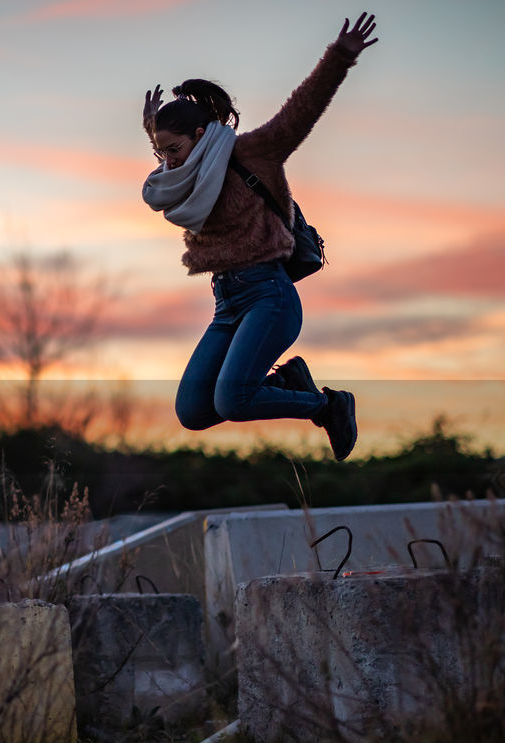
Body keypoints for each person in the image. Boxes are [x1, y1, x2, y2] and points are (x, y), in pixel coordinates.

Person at [141, 13, 378, 461]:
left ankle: (328, 405)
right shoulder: (183, 179)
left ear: (200, 134)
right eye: (159, 153)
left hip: (269, 295)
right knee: (193, 410)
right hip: (226, 302)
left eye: (173, 150)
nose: (167, 163)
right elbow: (174, 164)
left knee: (233, 401)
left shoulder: (254, 152)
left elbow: (300, 112)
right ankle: (289, 382)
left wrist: (340, 57)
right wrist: (156, 131)